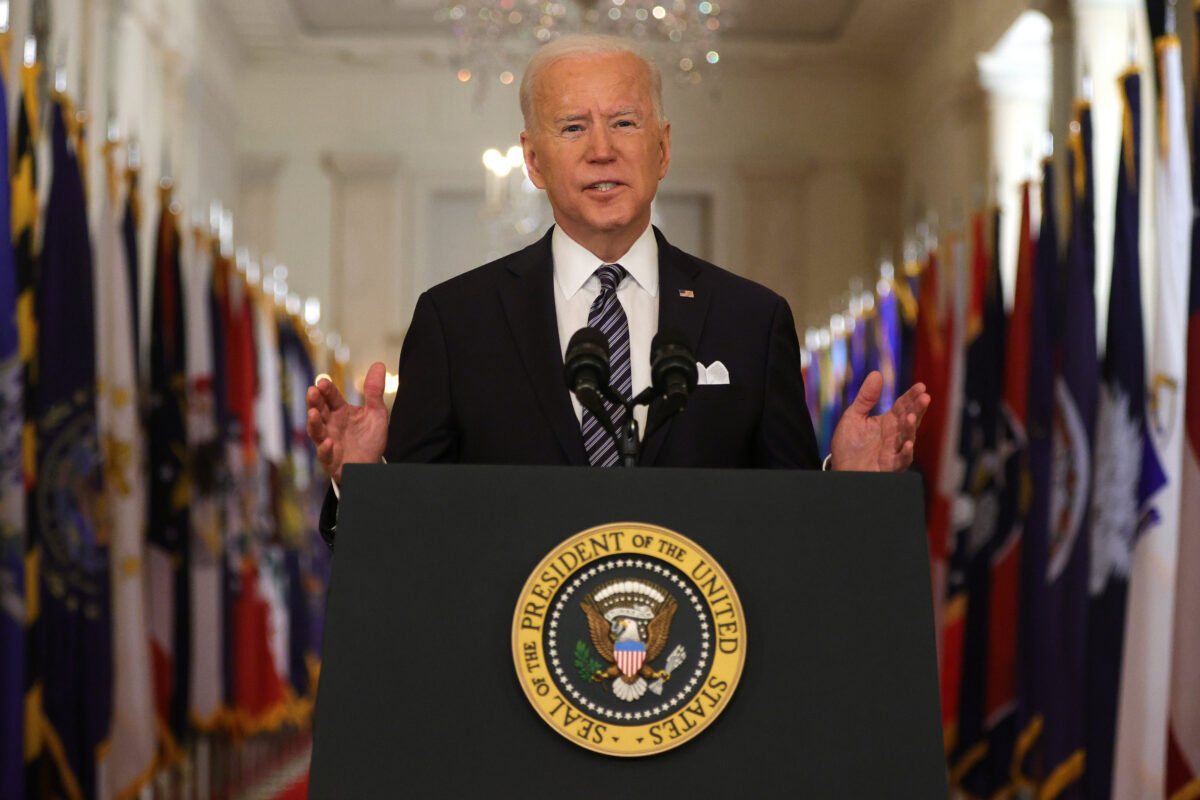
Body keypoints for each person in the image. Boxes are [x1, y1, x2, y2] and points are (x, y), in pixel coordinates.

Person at [307, 36, 930, 542]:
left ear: (661, 148)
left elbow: (788, 531)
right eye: (573, 127)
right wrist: (363, 483)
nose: (602, 151)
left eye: (624, 123)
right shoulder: (455, 320)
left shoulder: (751, 320)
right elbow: (418, 540)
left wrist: (847, 485)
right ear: (533, 160)